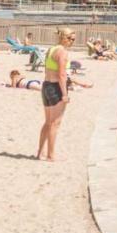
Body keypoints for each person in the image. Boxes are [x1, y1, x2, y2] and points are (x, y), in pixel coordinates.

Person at [37, 27, 75, 161]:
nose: (72, 42)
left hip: (46, 86)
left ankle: (39, 153)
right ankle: (50, 155)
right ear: (64, 38)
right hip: (55, 88)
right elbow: (61, 74)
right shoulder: (62, 52)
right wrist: (65, 94)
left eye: (74, 39)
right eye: (71, 39)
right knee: (55, 123)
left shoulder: (51, 49)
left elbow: (49, 69)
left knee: (48, 122)